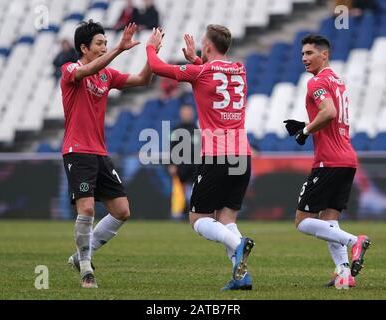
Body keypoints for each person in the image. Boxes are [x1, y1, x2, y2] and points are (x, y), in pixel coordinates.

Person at [146, 26, 255, 290]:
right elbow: (216, 78)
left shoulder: (202, 72)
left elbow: (158, 68)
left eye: (203, 44)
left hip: (217, 155)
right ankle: (242, 277)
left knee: (198, 220)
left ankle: (238, 245)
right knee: (227, 220)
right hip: (242, 154)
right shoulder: (240, 69)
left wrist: (151, 46)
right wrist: (195, 60)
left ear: (207, 47)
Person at [61, 20, 160, 288]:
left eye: (106, 43)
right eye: (100, 44)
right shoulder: (71, 69)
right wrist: (118, 49)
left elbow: (143, 79)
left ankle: (79, 256)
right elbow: (88, 70)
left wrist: (152, 53)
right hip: (77, 151)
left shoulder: (106, 75)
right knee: (88, 207)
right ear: (84, 48)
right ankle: (85, 270)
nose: (104, 47)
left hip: (99, 152)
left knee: (121, 210)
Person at [283, 34, 371, 289]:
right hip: (347, 159)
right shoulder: (338, 81)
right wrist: (309, 125)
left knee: (302, 221)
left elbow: (329, 112)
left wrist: (305, 131)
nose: (304, 59)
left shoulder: (317, 82)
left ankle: (355, 241)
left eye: (310, 53)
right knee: (329, 221)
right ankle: (344, 274)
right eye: (302, 54)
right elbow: (332, 114)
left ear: (325, 54)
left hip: (329, 161)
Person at [168, 104, 199, 220]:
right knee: (179, 188)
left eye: (188, 111)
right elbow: (172, 147)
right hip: (181, 164)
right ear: (181, 113)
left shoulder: (196, 128)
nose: (186, 114)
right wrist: (171, 163)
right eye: (184, 111)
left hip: (195, 163)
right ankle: (177, 212)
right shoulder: (176, 129)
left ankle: (192, 211)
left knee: (194, 189)